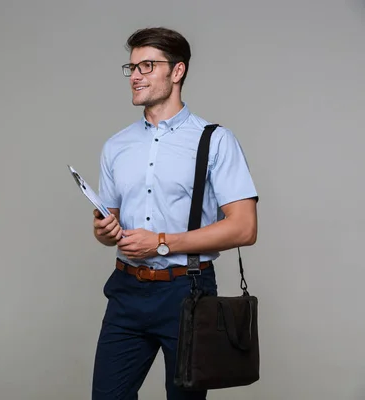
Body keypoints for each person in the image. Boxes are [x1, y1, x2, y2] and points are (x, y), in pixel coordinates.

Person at [91, 27, 259, 400]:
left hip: (188, 292)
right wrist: (104, 230)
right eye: (132, 67)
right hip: (126, 291)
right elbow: (106, 227)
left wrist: (162, 243)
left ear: (177, 71)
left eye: (147, 66)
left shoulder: (215, 140)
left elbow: (245, 228)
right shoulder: (116, 146)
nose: (135, 76)